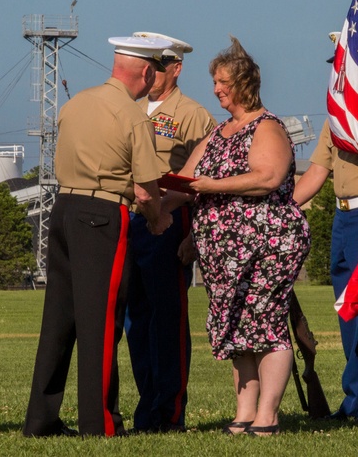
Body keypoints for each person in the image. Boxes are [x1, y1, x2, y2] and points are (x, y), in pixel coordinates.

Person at [23, 36, 174, 438]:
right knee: (102, 323)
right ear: (146, 72)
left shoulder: (75, 104)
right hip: (104, 215)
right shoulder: (133, 116)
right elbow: (145, 187)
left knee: (58, 321)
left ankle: (41, 418)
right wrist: (157, 219)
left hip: (63, 210)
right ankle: (99, 422)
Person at [177, 36, 310, 437]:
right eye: (214, 81)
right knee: (236, 328)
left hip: (267, 245)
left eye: (222, 82)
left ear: (243, 84)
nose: (216, 89)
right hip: (224, 253)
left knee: (265, 324)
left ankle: (267, 415)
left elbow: (266, 178)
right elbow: (186, 179)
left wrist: (211, 186)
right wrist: (148, 199)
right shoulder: (220, 132)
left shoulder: (266, 127)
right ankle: (244, 411)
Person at [292, 32, 358, 420]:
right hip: (342, 215)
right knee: (349, 312)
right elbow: (317, 171)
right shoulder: (337, 117)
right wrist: (281, 209)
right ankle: (356, 396)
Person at [124, 31, 215, 433]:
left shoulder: (193, 114)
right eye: (150, 63)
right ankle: (148, 406)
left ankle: (169, 411)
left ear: (176, 68)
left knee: (167, 320)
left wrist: (193, 235)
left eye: (161, 65)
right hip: (131, 219)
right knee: (136, 321)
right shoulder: (131, 109)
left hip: (170, 220)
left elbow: (205, 181)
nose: (154, 72)